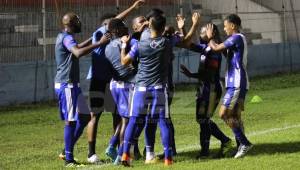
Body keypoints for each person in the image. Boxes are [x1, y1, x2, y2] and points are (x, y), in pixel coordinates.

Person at [120, 13, 200, 166]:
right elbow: (185, 41)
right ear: (163, 28)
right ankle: (168, 158)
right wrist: (190, 26)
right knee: (163, 121)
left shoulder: (139, 43)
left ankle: (125, 155)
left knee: (133, 120)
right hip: (158, 88)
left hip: (141, 88)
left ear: (150, 25)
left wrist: (124, 45)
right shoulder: (167, 42)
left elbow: (124, 61)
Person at [85, 0, 145, 163]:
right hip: (98, 80)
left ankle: (120, 149)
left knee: (118, 116)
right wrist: (133, 7)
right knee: (95, 116)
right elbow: (115, 22)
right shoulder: (100, 34)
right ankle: (92, 153)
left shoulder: (114, 42)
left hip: (113, 81)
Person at [54, 12, 110, 167]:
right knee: (70, 121)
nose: (80, 23)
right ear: (72, 23)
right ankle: (69, 159)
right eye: (78, 21)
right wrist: (99, 44)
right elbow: (78, 52)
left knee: (84, 117)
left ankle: (66, 151)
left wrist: (94, 40)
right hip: (67, 85)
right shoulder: (67, 38)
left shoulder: (66, 37)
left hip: (73, 85)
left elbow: (77, 47)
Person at [180, 25, 234, 158]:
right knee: (202, 119)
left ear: (212, 32)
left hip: (212, 89)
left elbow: (209, 74)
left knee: (203, 120)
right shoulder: (205, 47)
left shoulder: (215, 50)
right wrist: (183, 29)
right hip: (204, 89)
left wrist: (192, 75)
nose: (200, 33)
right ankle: (221, 142)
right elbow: (187, 44)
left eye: (203, 31)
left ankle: (209, 149)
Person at [206, 14, 253, 158]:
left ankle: (244, 143)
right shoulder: (237, 40)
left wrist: (210, 37)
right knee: (235, 116)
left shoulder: (237, 37)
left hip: (237, 83)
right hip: (238, 82)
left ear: (233, 25)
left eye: (226, 26)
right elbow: (226, 54)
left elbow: (215, 48)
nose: (225, 29)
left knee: (224, 114)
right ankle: (241, 146)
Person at [104, 18, 140, 165]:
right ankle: (121, 155)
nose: (127, 30)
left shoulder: (107, 47)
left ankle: (113, 146)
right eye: (124, 27)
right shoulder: (125, 43)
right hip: (126, 85)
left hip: (114, 84)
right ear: (117, 30)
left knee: (123, 119)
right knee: (129, 120)